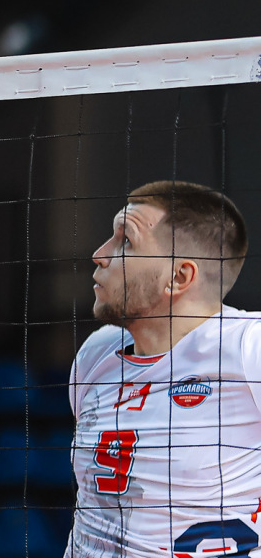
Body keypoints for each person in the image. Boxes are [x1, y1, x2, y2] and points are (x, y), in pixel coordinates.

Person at [64, 181, 260, 558]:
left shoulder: (248, 346)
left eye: (125, 241)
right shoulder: (97, 355)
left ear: (179, 277)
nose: (99, 255)